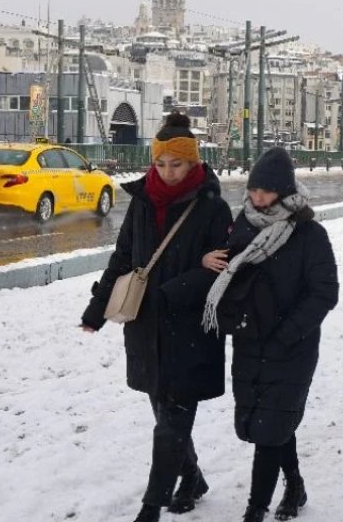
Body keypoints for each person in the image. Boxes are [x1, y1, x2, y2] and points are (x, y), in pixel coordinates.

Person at [80, 112, 234, 522]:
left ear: (193, 163)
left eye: (177, 164)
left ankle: (152, 506)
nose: (167, 172)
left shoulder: (213, 207)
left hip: (190, 331)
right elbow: (124, 259)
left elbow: (221, 270)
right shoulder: (143, 203)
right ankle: (193, 478)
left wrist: (171, 290)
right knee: (162, 414)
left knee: (170, 424)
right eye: (161, 163)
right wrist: (96, 311)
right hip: (146, 328)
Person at [201, 147, 339, 522]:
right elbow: (229, 271)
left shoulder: (309, 233)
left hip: (292, 347)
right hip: (249, 341)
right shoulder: (242, 224)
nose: (257, 197)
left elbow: (325, 292)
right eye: (253, 189)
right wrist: (205, 262)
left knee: (271, 428)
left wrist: (286, 333)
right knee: (271, 424)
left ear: (283, 190)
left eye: (265, 190)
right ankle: (294, 485)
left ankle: (255, 510)